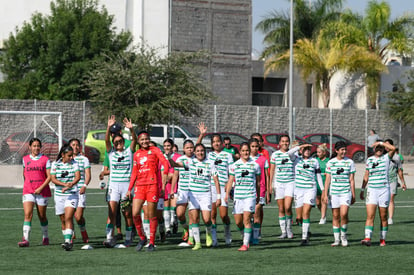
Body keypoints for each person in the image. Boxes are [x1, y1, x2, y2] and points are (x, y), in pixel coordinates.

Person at [172, 143, 221, 250]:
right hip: (193, 194)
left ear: (205, 152)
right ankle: (197, 243)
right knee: (194, 218)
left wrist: (218, 196)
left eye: (202, 151)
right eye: (198, 151)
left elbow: (216, 180)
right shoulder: (191, 162)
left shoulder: (210, 163)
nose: (200, 153)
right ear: (195, 152)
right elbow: (177, 165)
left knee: (207, 219)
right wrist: (168, 159)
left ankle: (208, 234)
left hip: (205, 195)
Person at [127, 130, 169, 252]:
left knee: (151, 215)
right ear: (139, 142)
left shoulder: (155, 150)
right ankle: (142, 237)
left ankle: (151, 242)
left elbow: (165, 163)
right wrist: (129, 189)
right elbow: (134, 172)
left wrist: (165, 175)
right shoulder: (137, 154)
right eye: (142, 139)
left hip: (152, 185)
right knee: (134, 213)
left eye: (146, 139)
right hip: (140, 186)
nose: (144, 141)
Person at [197, 122, 233, 246]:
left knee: (224, 216)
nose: (216, 143)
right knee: (212, 215)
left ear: (222, 143)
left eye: (218, 141)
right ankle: (214, 238)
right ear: (211, 144)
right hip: (210, 188)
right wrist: (201, 135)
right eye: (214, 142)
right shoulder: (208, 155)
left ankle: (227, 233)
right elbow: (197, 148)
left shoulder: (228, 155)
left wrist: (228, 189)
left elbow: (231, 174)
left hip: (222, 187)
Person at [103, 116, 137, 248]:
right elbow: (106, 140)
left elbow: (134, 139)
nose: (118, 144)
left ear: (123, 141)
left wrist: (131, 129)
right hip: (114, 186)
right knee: (111, 212)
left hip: (126, 186)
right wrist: (108, 128)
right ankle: (109, 238)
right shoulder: (111, 153)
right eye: (115, 142)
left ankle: (128, 238)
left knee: (127, 213)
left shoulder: (129, 152)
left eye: (120, 141)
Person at [225, 142, 261, 251]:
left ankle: (245, 244)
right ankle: (246, 235)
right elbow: (231, 180)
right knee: (238, 222)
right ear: (240, 152)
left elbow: (258, 183)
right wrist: (227, 193)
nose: (246, 152)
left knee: (246, 219)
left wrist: (258, 195)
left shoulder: (255, 165)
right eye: (243, 150)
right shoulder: (235, 165)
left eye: (247, 151)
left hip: (249, 195)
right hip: (238, 196)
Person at [360, 141, 396, 247]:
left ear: (384, 149)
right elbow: (366, 175)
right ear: (374, 149)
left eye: (381, 148)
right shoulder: (370, 160)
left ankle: (382, 239)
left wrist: (381, 142)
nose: (379, 150)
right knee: (370, 215)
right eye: (377, 148)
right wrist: (362, 189)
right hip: (372, 190)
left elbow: (393, 148)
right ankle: (367, 238)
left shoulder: (386, 158)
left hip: (384, 190)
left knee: (383, 216)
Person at [18, 138, 52, 247]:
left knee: (42, 216)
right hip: (28, 190)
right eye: (34, 146)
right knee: (28, 214)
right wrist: (29, 185)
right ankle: (25, 239)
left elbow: (49, 177)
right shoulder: (25, 159)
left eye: (38, 146)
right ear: (30, 147)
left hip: (42, 191)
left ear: (40, 147)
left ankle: (45, 237)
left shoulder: (45, 159)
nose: (36, 148)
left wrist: (40, 188)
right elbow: (25, 174)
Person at [288, 144, 324, 246]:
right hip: (298, 190)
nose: (307, 151)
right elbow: (289, 153)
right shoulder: (296, 159)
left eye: (309, 149)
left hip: (310, 189)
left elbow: (318, 176)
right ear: (301, 151)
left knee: (306, 212)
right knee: (299, 217)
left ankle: (304, 238)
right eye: (305, 149)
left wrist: (323, 190)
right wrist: (300, 146)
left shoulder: (314, 161)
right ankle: (306, 230)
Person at [322, 141, 356, 247]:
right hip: (334, 193)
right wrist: (325, 194)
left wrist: (353, 194)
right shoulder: (331, 163)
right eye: (342, 150)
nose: (344, 152)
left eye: (345, 149)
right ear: (336, 151)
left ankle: (343, 237)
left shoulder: (350, 162)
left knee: (344, 214)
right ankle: (336, 239)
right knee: (335, 215)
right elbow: (327, 179)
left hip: (346, 192)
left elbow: (351, 180)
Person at [51, 144, 80, 251]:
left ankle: (68, 242)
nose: (71, 157)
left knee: (68, 217)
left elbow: (78, 177)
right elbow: (53, 179)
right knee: (63, 220)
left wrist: (70, 185)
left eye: (72, 155)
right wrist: (64, 185)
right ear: (62, 155)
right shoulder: (55, 164)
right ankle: (67, 237)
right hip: (59, 195)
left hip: (72, 194)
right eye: (69, 155)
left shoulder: (74, 163)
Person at [269, 134, 294, 239]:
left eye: (287, 141)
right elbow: (272, 170)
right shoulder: (275, 155)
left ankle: (289, 229)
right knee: (281, 208)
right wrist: (270, 184)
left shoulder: (293, 154)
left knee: (288, 207)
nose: (285, 143)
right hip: (279, 184)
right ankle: (283, 231)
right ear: (279, 143)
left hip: (290, 183)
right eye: (283, 141)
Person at [170, 140, 195, 245]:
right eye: (187, 148)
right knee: (180, 214)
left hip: (194, 191)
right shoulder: (180, 159)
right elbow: (176, 175)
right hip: (182, 190)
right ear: (184, 149)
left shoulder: (197, 159)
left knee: (191, 215)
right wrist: (172, 190)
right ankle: (186, 229)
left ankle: (191, 238)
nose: (190, 150)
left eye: (191, 147)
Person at [68, 138, 91, 243]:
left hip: (80, 190)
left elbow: (88, 175)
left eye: (77, 145)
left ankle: (83, 231)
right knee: (68, 215)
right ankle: (70, 234)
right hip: (69, 191)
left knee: (78, 216)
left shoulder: (84, 159)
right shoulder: (65, 159)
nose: (75, 147)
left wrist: (84, 186)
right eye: (73, 145)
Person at [249, 138, 269, 244]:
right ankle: (250, 233)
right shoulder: (246, 160)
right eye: (252, 146)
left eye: (256, 146)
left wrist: (268, 189)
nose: (254, 148)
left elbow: (266, 175)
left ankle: (256, 236)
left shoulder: (263, 159)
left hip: (260, 188)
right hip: (247, 189)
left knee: (256, 213)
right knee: (248, 215)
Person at [384, 140, 407, 225]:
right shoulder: (382, 156)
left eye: (388, 145)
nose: (387, 147)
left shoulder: (397, 157)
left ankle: (390, 218)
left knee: (391, 199)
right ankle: (383, 217)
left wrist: (403, 182)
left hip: (392, 180)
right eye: (385, 145)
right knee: (383, 200)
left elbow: (399, 171)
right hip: (382, 181)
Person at [163, 139, 181, 236]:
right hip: (165, 185)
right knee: (166, 208)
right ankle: (167, 229)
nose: (166, 148)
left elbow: (175, 172)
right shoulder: (161, 157)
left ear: (172, 146)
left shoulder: (178, 157)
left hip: (175, 185)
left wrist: (170, 175)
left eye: (168, 145)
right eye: (165, 146)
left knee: (173, 208)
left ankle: (174, 222)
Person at [316, 144, 329, 224]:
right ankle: (323, 213)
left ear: (324, 152)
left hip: (325, 183)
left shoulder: (328, 161)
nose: (318, 154)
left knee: (323, 200)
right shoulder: (315, 161)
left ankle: (323, 217)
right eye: (317, 152)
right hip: (317, 183)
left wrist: (326, 174)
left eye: (319, 152)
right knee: (318, 202)